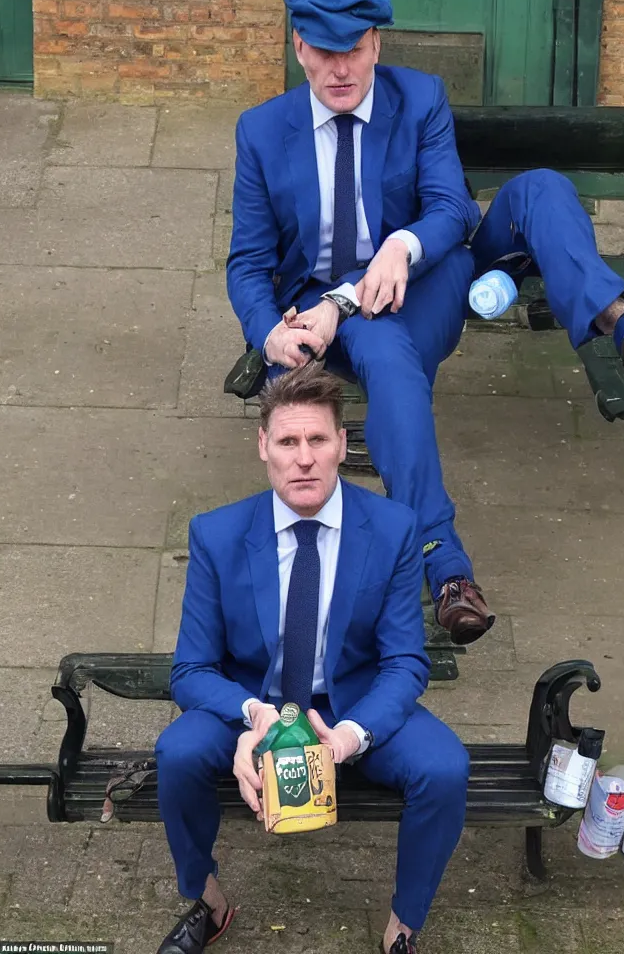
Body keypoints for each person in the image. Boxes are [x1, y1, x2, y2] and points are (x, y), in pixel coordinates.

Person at [226, 0, 624, 648]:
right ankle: (445, 569)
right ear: (299, 48)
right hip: (341, 321)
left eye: (353, 49)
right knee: (388, 356)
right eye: (324, 52)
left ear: (376, 44)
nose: (341, 68)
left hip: (434, 279)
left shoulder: (419, 99)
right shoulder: (263, 132)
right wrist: (268, 331)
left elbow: (450, 209)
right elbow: (246, 263)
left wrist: (400, 245)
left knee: (539, 189)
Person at [154, 365, 470, 954]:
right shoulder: (216, 535)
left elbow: (405, 661)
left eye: (318, 440)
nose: (304, 459)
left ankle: (404, 924)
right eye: (288, 442)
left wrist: (349, 736)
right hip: (257, 703)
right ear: (263, 447)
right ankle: (209, 901)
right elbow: (191, 670)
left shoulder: (393, 528)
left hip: (351, 702)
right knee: (176, 754)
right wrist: (253, 715)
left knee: (446, 769)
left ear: (343, 445)